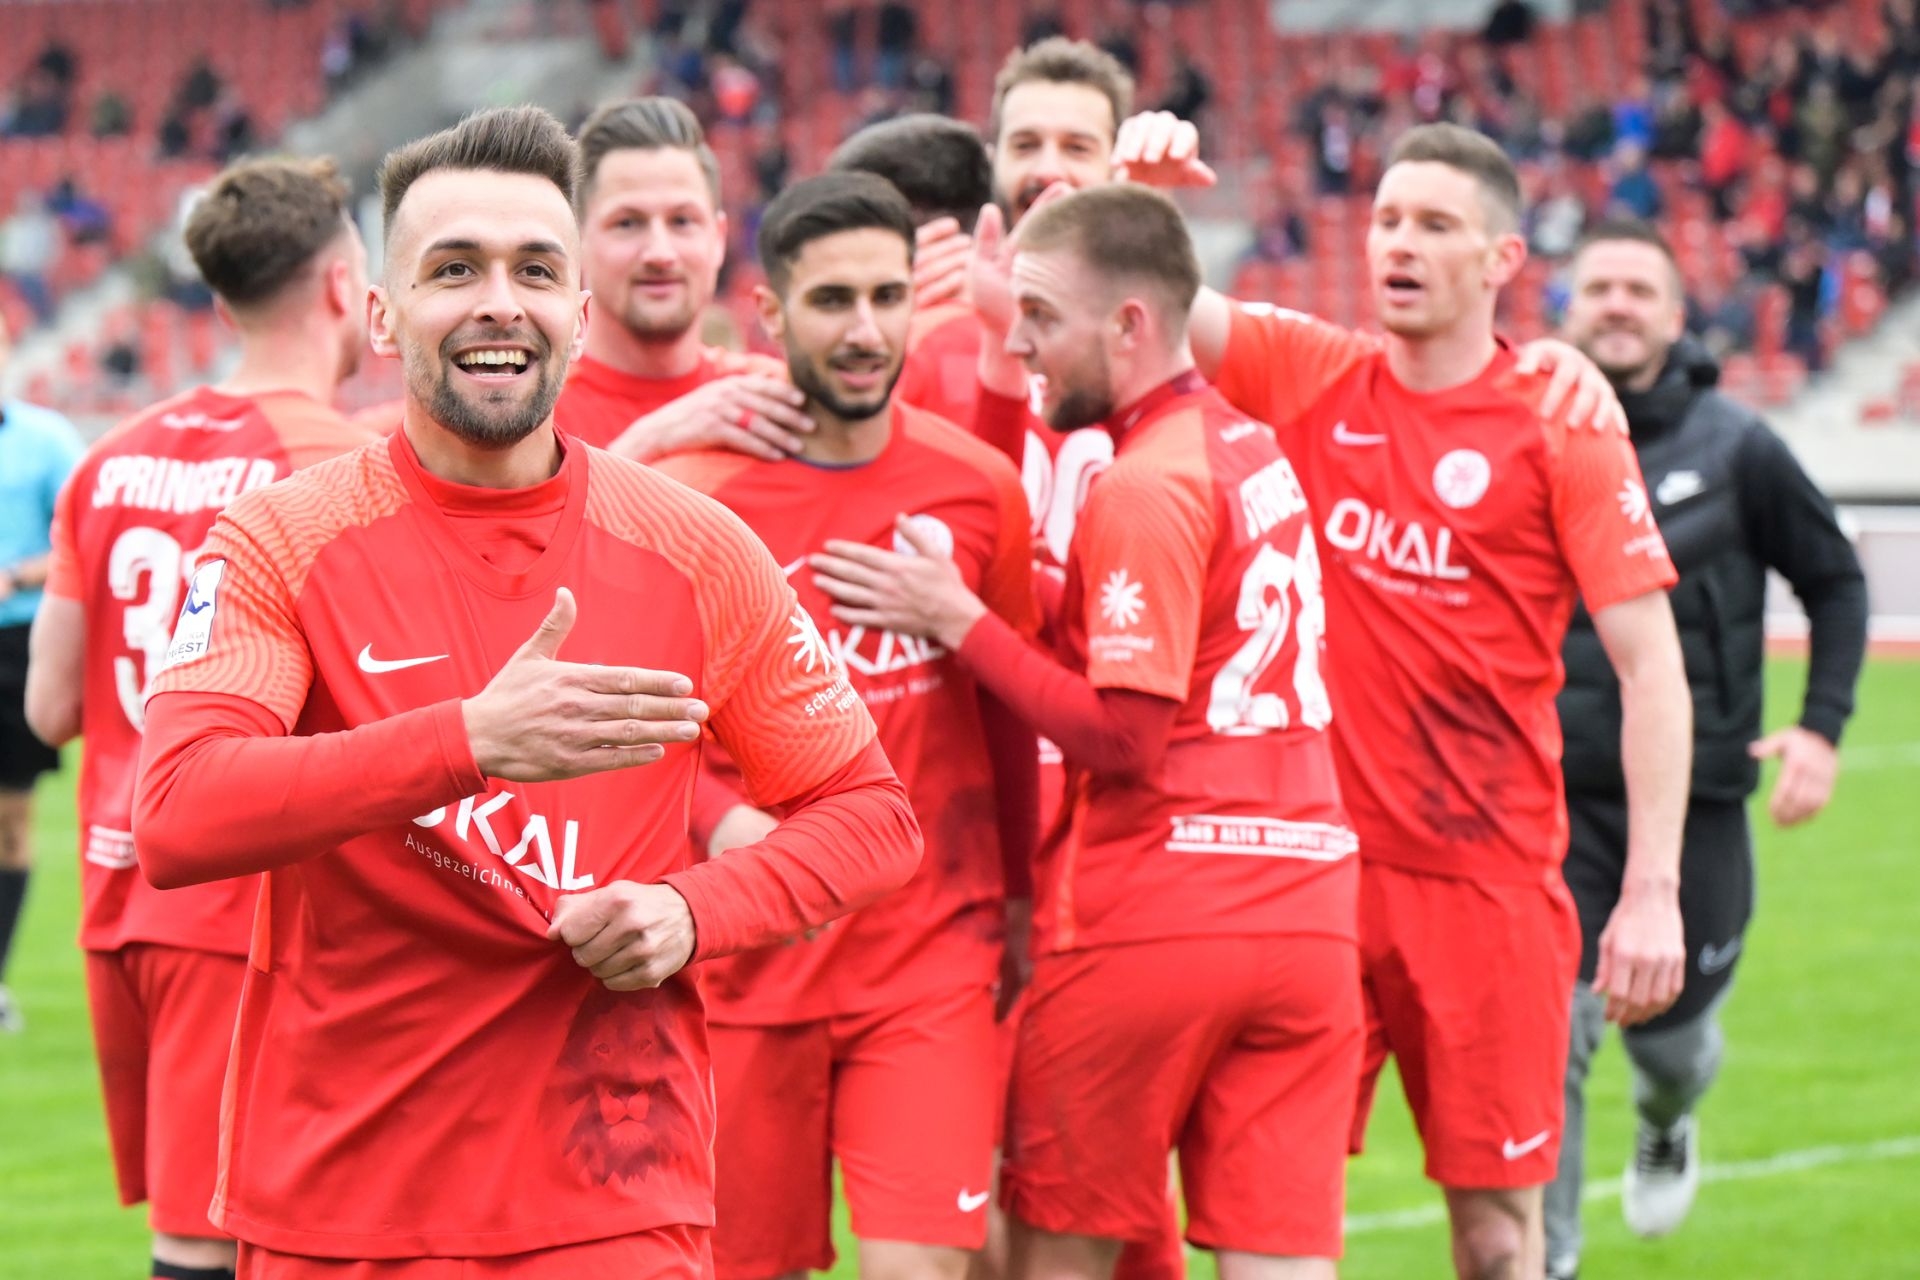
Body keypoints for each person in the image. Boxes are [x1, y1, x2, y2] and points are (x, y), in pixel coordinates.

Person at [129, 105, 921, 1279]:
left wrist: (694, 910)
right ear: (382, 314)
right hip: (343, 1197)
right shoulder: (279, 538)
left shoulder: (697, 547)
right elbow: (178, 812)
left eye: (536, 270)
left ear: (579, 316)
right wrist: (466, 739)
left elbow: (872, 817)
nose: (501, 301)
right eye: (455, 269)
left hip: (613, 1188)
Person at [1167, 122, 1692, 1279]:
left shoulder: (1561, 422)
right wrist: (1144, 190)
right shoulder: (1316, 371)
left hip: (1488, 884)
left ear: (1503, 258)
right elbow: (1154, 299)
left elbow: (1652, 666)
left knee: (1497, 1236)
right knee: (1263, 1217)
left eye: (1435, 225)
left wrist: (1652, 889)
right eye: (1387, 219)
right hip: (1314, 873)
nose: (1398, 243)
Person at [812, 183, 1363, 1280]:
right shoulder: (1250, 446)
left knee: (1058, 1258)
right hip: (1309, 912)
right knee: (1282, 1263)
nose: (1019, 343)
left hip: (1155, 913)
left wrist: (958, 620)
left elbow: (1123, 738)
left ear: (1130, 324)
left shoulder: (1146, 484)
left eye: (1040, 318)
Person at [654, 171, 1039, 1280]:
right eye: (832, 300)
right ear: (771, 314)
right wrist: (722, 821)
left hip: (929, 953)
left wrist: (1019, 892)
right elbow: (643, 726)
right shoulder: (697, 498)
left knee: (918, 1267)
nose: (865, 330)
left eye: (885, 296)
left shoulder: (977, 488)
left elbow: (1005, 714)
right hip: (744, 961)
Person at [23, 155, 377, 1280]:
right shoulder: (344, 466)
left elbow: (48, 704)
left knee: (212, 1224)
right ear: (343, 285)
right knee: (235, 1237)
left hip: (126, 896)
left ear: (220, 302)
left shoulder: (109, 461)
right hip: (254, 910)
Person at [1544, 219, 1869, 1280]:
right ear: (1567, 305)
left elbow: (1835, 580)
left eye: (1640, 288)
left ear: (1677, 314)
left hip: (1697, 806)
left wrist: (1820, 727)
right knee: (1551, 1042)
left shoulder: (1739, 447)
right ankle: (1546, 1257)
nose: (1618, 304)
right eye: (1599, 286)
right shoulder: (1519, 435)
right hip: (1546, 804)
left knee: (1672, 1043)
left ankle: (1667, 1115)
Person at [555, 97, 806, 460]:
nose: (660, 253)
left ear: (718, 239)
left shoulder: (777, 401)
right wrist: (644, 447)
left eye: (682, 221)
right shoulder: (530, 414)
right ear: (577, 241)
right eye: (627, 223)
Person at [0, 313, 83, 1032]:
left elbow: (83, 544)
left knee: (11, 819)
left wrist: (15, 576)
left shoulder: (48, 440)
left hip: (15, 643)